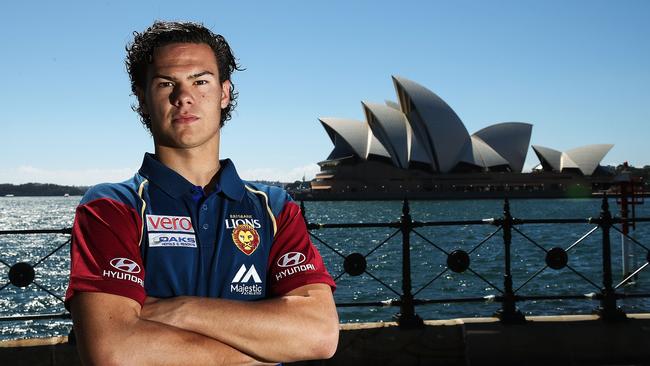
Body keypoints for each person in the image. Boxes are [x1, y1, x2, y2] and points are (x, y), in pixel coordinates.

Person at [65, 20, 339, 365]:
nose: (185, 97)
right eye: (167, 84)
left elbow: (319, 335)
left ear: (224, 93)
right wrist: (263, 350)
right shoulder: (111, 207)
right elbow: (114, 353)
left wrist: (179, 310)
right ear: (143, 98)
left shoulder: (275, 207)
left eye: (201, 81)